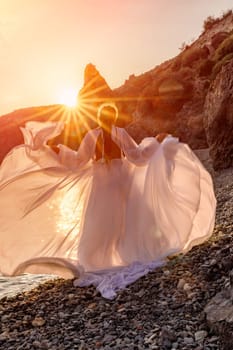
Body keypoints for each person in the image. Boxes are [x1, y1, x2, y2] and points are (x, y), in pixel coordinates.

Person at [0, 103, 216, 299]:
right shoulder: (119, 132)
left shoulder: (92, 135)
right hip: (121, 180)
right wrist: (156, 145)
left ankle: (96, 261)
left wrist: (56, 153)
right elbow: (136, 157)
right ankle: (128, 253)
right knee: (126, 221)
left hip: (100, 183)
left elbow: (78, 161)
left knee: (101, 223)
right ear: (113, 116)